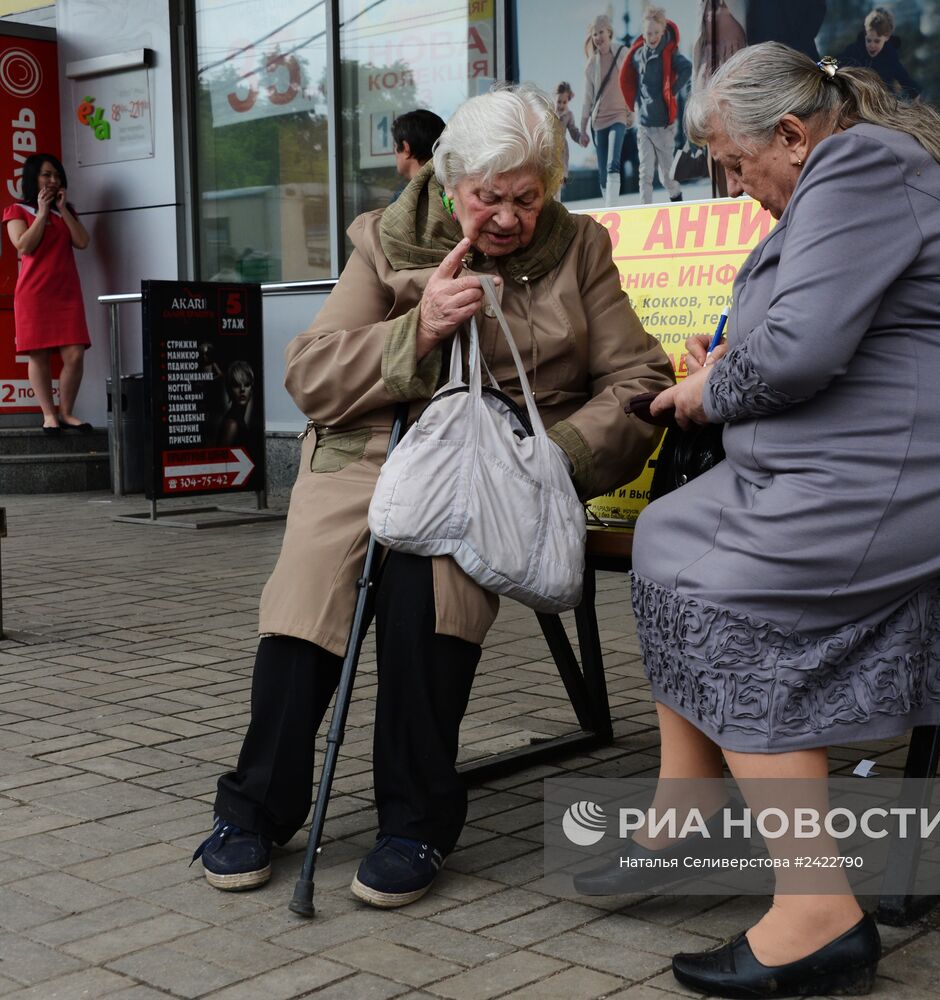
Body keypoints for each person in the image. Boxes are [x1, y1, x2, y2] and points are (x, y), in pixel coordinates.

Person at [619, 44, 940, 997]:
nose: (734, 188)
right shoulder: (872, 166)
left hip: (927, 472)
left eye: (736, 163)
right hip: (883, 460)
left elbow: (804, 352)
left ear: (792, 133)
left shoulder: (856, 164)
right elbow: (813, 327)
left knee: (734, 592)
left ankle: (818, 911)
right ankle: (687, 794)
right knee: (669, 535)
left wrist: (703, 393)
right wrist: (727, 352)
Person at [191, 85, 674, 908]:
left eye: (528, 196)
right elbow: (310, 372)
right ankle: (259, 805)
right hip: (369, 452)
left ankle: (414, 819)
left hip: (494, 465)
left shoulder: (580, 249)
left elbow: (640, 378)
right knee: (310, 601)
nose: (510, 216)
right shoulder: (388, 241)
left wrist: (552, 457)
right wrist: (414, 332)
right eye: (490, 196)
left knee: (429, 594)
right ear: (451, 181)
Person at [3, 154, 92, 433]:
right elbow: (24, 246)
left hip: (67, 293)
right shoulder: (16, 210)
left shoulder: (66, 211)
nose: (53, 180)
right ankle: (49, 414)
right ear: (32, 178)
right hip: (34, 293)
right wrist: (41, 213)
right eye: (46, 175)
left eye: (57, 175)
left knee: (75, 353)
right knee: (38, 354)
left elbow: (82, 241)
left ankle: (66, 412)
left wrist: (62, 210)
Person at [620, 5, 692, 204]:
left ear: (663, 31)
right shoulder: (637, 56)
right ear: (643, 34)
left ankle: (676, 198)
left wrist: (672, 91)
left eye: (656, 33)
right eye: (648, 33)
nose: (652, 37)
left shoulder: (669, 54)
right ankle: (646, 209)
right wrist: (632, 105)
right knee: (645, 173)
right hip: (644, 124)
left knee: (667, 175)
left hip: (663, 125)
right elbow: (628, 79)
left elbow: (687, 68)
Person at [579, 14, 631, 206]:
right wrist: (583, 128)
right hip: (599, 120)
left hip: (619, 116)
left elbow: (633, 79)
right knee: (602, 173)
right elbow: (587, 100)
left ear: (609, 32)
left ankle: (612, 209)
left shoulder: (623, 52)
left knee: (612, 163)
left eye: (601, 32)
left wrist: (632, 108)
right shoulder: (591, 65)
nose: (598, 37)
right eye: (594, 34)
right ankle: (608, 204)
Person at [837, 7, 921, 99]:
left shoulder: (890, 57)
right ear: (865, 35)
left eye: (877, 41)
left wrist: (915, 94)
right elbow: (838, 61)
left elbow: (904, 78)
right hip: (857, 95)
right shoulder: (855, 50)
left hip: (880, 99)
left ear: (886, 37)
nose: (872, 45)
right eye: (868, 40)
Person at [215, 359, 258, 453]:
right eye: (236, 385)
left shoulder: (239, 421)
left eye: (247, 385)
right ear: (229, 389)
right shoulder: (232, 425)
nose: (242, 389)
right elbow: (221, 463)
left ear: (251, 390)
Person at [392, 108, 446, 182]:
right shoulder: (452, 189)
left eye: (395, 146)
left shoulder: (410, 193)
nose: (395, 153)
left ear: (406, 148)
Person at [553, 81, 585, 201]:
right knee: (549, 180)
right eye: (559, 101)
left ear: (568, 101)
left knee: (558, 183)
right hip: (549, 150)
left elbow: (573, 131)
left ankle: (557, 206)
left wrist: (580, 139)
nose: (561, 105)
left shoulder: (568, 115)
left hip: (561, 151)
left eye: (564, 102)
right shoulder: (548, 112)